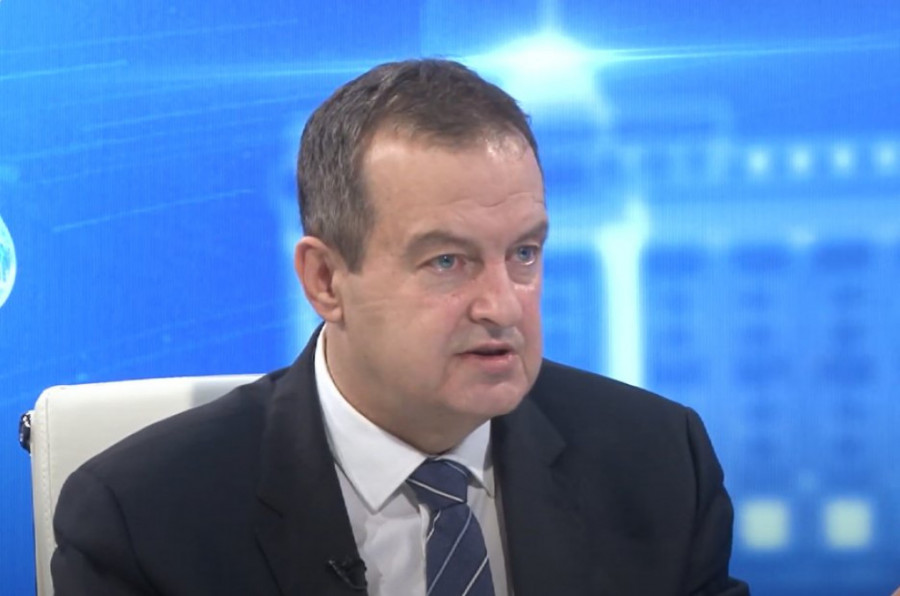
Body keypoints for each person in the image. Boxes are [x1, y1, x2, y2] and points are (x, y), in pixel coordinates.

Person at [51, 59, 749, 595]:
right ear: (326, 280)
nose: (503, 306)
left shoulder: (659, 463)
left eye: (524, 254)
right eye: (447, 261)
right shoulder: (143, 521)